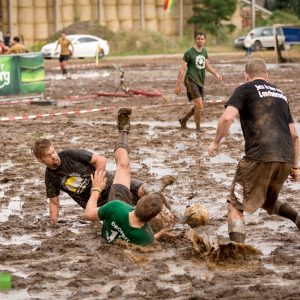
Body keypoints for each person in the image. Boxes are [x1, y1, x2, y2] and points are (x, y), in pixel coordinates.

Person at [208, 58, 299, 243]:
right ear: (266, 75)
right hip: (285, 157)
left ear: (246, 75)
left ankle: (237, 249)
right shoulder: (281, 94)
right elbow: (294, 134)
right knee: (265, 200)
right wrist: (296, 167)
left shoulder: (244, 88)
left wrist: (215, 143)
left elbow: (227, 118)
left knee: (235, 206)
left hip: (260, 156)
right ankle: (298, 219)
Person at [84, 108, 174, 245]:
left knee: (123, 165)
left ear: (136, 204)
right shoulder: (146, 236)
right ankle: (145, 190)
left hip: (116, 214)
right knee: (167, 217)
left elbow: (88, 214)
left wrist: (96, 189)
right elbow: (148, 242)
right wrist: (159, 235)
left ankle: (123, 131)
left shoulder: (116, 207)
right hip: (126, 231)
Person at [32, 139, 174, 225]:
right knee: (134, 214)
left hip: (112, 182)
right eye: (48, 155)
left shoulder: (70, 155)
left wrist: (98, 184)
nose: (54, 157)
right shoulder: (50, 177)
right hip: (100, 203)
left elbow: (100, 159)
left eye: (53, 152)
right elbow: (54, 202)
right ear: (41, 160)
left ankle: (170, 210)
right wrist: (53, 224)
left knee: (143, 191)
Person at [175, 32, 223, 132]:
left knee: (199, 105)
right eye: (198, 39)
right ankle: (198, 128)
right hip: (190, 80)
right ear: (195, 40)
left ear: (204, 40)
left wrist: (216, 74)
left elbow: (207, 66)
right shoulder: (189, 53)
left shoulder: (204, 52)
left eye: (202, 39)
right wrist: (178, 85)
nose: (200, 40)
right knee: (199, 105)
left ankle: (183, 120)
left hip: (200, 81)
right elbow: (182, 70)